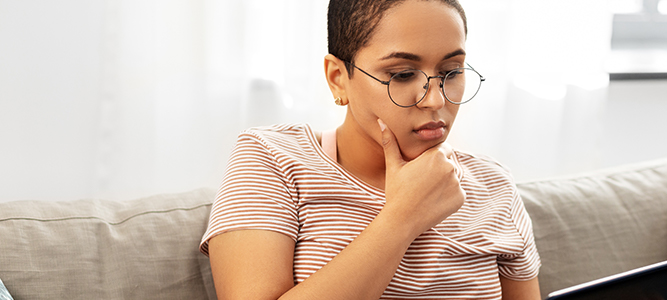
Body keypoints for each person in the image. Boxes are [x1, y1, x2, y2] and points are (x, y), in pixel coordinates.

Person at [199, 0, 541, 299]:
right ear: (338, 77)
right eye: (403, 74)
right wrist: (402, 217)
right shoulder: (272, 159)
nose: (435, 99)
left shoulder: (492, 184)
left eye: (451, 71)